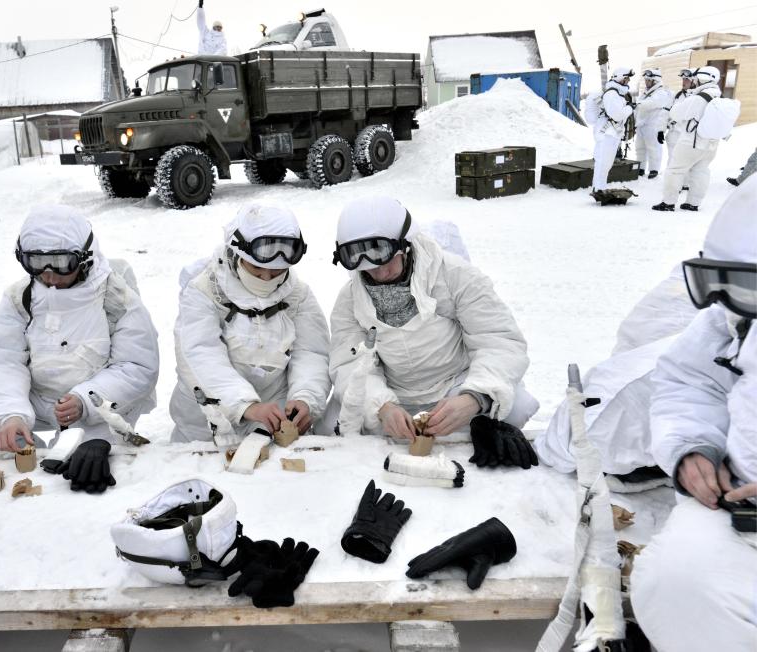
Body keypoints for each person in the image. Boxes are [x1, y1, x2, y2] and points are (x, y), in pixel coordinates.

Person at [630, 175, 757, 650]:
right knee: (671, 584)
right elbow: (690, 380)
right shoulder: (742, 312)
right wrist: (691, 448)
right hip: (738, 503)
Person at [0, 206, 159, 468]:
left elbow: (136, 367)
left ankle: (69, 449)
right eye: (35, 262)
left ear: (84, 257)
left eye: (60, 263)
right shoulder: (21, 297)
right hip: (41, 396)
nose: (48, 274)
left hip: (96, 406)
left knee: (76, 462)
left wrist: (84, 400)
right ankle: (26, 451)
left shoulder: (115, 297)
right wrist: (10, 413)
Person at [328, 196, 538, 442]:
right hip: (395, 394)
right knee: (331, 426)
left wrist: (474, 398)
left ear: (405, 245)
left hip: (455, 385)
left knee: (516, 408)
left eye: (385, 258)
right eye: (365, 265)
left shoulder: (455, 275)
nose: (379, 272)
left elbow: (498, 340)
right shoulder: (349, 299)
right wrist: (382, 407)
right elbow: (348, 363)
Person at [169, 204, 331, 442]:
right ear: (237, 253)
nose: (267, 278)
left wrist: (306, 397)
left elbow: (311, 353)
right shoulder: (204, 291)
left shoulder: (297, 294)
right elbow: (200, 354)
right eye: (257, 268)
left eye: (277, 272)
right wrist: (245, 405)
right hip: (204, 428)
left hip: (274, 425)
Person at [653, 66, 724, 212]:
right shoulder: (719, 97)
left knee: (675, 170)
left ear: (703, 79)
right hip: (711, 144)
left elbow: (676, 114)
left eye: (696, 78)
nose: (694, 81)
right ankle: (693, 203)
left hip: (691, 142)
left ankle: (668, 202)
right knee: (701, 171)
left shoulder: (699, 98)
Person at [590, 67, 635, 201]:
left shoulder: (617, 93)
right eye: (626, 78)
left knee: (605, 162)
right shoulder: (612, 94)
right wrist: (629, 108)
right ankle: (598, 188)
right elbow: (617, 114)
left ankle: (599, 187)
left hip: (611, 132)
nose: (627, 81)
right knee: (603, 162)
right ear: (619, 78)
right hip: (607, 132)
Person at [633, 68, 673, 179]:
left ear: (655, 81)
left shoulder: (661, 93)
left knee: (653, 149)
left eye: (648, 80)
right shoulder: (645, 93)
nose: (646, 82)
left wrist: (637, 103)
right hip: (641, 125)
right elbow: (639, 107)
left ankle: (653, 169)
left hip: (653, 126)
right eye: (645, 80)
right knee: (640, 148)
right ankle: (640, 168)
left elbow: (651, 104)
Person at [663, 68, 694, 162]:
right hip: (674, 136)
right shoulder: (677, 96)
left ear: (694, 81)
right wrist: (661, 130)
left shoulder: (698, 98)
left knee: (686, 163)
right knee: (672, 161)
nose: (683, 82)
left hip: (689, 138)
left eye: (687, 79)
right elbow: (665, 113)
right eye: (683, 79)